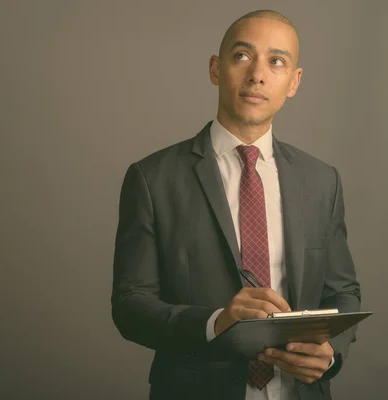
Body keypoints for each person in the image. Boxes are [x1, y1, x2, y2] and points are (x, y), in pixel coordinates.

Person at [111, 9, 361, 400]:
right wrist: (216, 322)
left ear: (294, 81)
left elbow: (343, 292)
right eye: (242, 56)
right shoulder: (151, 178)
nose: (257, 74)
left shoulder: (322, 180)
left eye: (276, 61)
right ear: (215, 68)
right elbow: (130, 306)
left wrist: (330, 358)